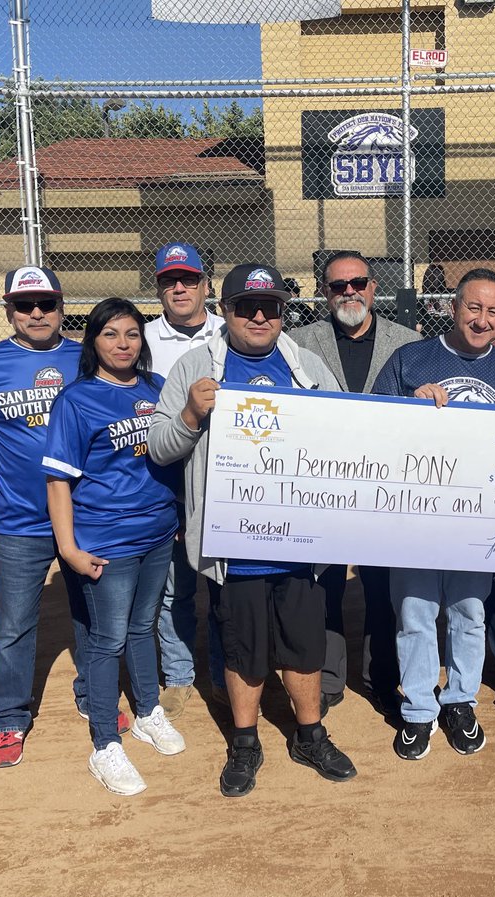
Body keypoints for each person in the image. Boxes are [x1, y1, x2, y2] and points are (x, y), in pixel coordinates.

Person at [148, 262, 357, 797]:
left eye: (271, 307)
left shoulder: (307, 366)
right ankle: (245, 742)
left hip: (300, 545)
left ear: (284, 312)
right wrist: (193, 414)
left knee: (305, 644)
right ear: (225, 311)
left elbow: (347, 437)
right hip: (233, 547)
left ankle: (309, 733)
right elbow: (160, 448)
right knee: (243, 648)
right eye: (247, 307)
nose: (260, 316)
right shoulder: (196, 367)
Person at [0, 265, 125, 768]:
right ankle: (7, 717)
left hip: (86, 513)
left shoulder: (87, 359)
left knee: (93, 615)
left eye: (46, 303)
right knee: (15, 624)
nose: (37, 313)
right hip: (20, 520)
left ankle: (98, 699)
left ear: (61, 306)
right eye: (25, 305)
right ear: (9, 310)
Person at [372, 268, 495, 759]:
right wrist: (409, 403)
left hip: (477, 523)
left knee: (469, 613)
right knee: (416, 614)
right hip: (416, 520)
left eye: (493, 312)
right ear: (452, 307)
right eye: (473, 307)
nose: (481, 319)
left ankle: (461, 700)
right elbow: (371, 425)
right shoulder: (411, 359)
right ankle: (419, 710)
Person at [43, 298, 185, 795]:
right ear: (94, 342)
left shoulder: (155, 388)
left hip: (157, 532)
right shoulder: (77, 400)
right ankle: (105, 744)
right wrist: (69, 549)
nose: (122, 344)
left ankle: (148, 711)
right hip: (108, 540)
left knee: (144, 626)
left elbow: (176, 452)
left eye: (131, 334)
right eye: (110, 335)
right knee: (107, 640)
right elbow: (58, 483)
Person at [289, 250, 420, 719]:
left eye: (358, 282)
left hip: (386, 489)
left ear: (373, 286)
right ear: (324, 292)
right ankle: (328, 678)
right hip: (322, 485)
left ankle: (383, 677)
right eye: (338, 285)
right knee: (322, 585)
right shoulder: (297, 342)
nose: (349, 292)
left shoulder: (408, 342)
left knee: (383, 588)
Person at [145, 242, 227, 720]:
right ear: (158, 288)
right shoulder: (144, 338)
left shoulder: (229, 329)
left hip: (223, 481)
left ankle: (222, 671)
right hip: (166, 479)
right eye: (169, 280)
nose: (179, 288)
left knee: (222, 586)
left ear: (205, 285)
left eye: (189, 279)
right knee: (176, 588)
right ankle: (178, 675)